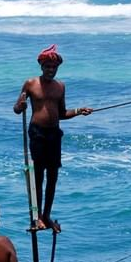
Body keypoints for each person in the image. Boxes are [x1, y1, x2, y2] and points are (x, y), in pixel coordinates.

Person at [12, 44, 92, 232]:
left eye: (54, 67)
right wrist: (21, 105)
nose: (51, 70)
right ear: (42, 67)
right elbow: (16, 109)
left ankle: (46, 215)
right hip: (37, 133)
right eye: (48, 67)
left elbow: (62, 113)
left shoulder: (60, 87)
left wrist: (80, 111)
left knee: (53, 176)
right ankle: (37, 215)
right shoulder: (30, 84)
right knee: (38, 176)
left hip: (54, 134)